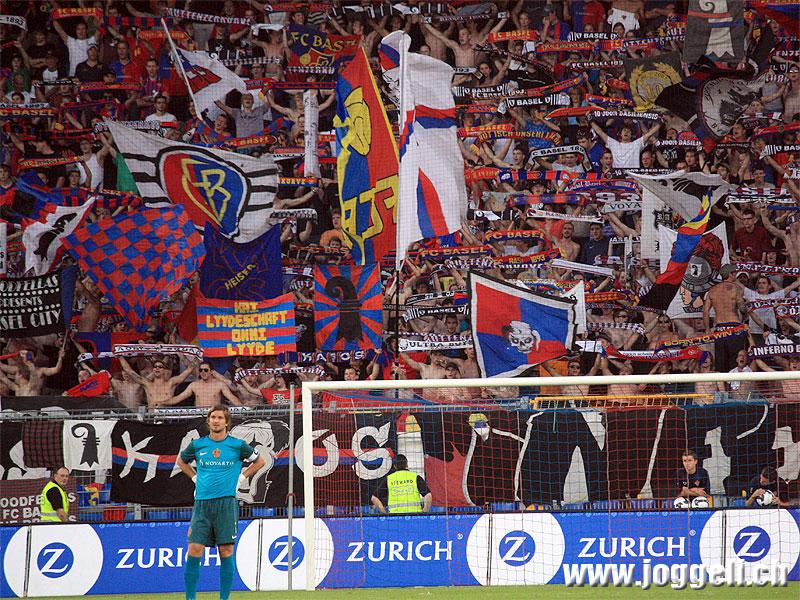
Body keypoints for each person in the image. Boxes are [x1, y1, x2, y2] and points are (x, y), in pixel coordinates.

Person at [176, 405, 266, 600]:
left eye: (219, 418)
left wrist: (242, 477)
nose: (215, 421)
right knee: (194, 549)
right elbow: (181, 461)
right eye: (213, 417)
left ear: (226, 422)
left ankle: (224, 598)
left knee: (225, 551)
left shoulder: (237, 445)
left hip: (226, 504)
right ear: (208, 421)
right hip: (202, 505)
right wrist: (194, 478)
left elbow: (260, 461)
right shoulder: (198, 445)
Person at [166, 363, 242, 408]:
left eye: (205, 370)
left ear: (211, 372)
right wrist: (162, 402)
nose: (203, 372)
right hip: (198, 417)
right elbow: (179, 398)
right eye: (200, 370)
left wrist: (244, 408)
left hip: (214, 416)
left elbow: (232, 398)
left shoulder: (220, 384)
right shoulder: (194, 385)